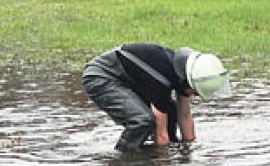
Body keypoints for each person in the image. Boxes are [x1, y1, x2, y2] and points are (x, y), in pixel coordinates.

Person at [82, 43, 230, 152]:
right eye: (195, 92)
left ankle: (145, 151)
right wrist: (163, 165)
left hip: (128, 79)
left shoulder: (183, 72)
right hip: (101, 75)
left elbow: (184, 116)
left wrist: (188, 149)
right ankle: (124, 158)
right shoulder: (161, 80)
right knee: (143, 120)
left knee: (171, 112)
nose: (194, 95)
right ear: (188, 83)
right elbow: (161, 132)